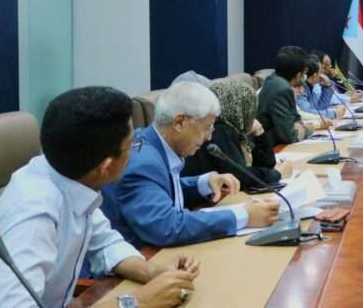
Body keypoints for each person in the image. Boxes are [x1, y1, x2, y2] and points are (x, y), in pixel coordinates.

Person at [0, 87, 200, 308]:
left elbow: (105, 244)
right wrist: (139, 302)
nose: (136, 151)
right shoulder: (33, 216)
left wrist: (152, 271)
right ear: (106, 166)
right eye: (132, 145)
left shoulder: (67, 175)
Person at [101, 82, 280, 248]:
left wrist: (203, 183)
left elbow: (160, 189)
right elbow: (166, 227)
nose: (209, 137)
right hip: (142, 260)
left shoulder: (152, 143)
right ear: (179, 122)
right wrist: (243, 216)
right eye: (207, 127)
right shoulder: (144, 163)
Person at [184, 77, 293, 189]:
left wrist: (259, 132)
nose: (251, 112)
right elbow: (239, 177)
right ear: (237, 108)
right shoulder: (219, 130)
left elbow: (267, 164)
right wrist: (277, 174)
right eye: (248, 107)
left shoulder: (234, 127)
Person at [257, 46, 315, 145]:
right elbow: (290, 136)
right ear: (298, 74)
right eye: (304, 72)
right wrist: (307, 129)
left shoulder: (274, 79)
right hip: (272, 147)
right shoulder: (282, 89)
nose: (305, 76)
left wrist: (299, 127)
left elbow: (296, 118)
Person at [297, 55, 346, 119]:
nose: (323, 73)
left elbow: (321, 107)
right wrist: (333, 113)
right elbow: (307, 112)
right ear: (315, 75)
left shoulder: (311, 86)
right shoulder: (300, 89)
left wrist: (327, 87)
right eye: (321, 71)